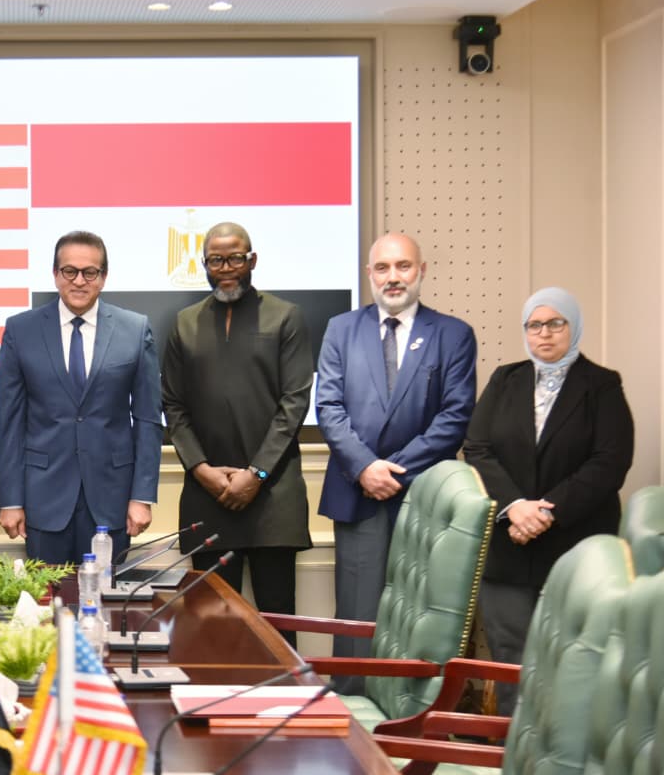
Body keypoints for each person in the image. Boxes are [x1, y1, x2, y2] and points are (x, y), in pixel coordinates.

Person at [316, 232, 476, 685]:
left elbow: (455, 416)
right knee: (356, 618)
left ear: (421, 271)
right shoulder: (341, 329)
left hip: (423, 496)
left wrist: (395, 471)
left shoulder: (453, 335)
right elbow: (328, 408)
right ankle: (351, 708)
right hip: (357, 493)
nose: (393, 277)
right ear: (369, 274)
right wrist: (366, 467)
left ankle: (410, 711)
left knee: (419, 618)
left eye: (403, 266)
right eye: (383, 268)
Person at [464, 287, 632, 716]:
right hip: (508, 546)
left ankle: (566, 754)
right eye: (534, 325)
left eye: (556, 323)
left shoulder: (602, 385)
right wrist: (515, 507)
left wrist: (544, 512)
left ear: (573, 327)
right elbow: (477, 447)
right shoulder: (505, 379)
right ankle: (513, 750)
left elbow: (610, 462)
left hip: (575, 548)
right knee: (512, 663)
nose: (544, 333)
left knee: (572, 663)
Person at [161, 223, 313, 641]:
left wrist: (256, 474)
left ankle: (281, 691)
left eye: (235, 258)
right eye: (216, 260)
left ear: (252, 260)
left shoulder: (286, 317)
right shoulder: (184, 324)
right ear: (204, 264)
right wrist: (201, 470)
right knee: (211, 633)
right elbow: (173, 405)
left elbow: (294, 404)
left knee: (276, 632)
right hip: (206, 496)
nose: (226, 268)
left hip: (273, 499)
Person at [0, 230, 163, 564]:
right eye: (70, 271)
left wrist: (142, 496)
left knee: (106, 596)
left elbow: (147, 419)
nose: (79, 281)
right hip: (43, 499)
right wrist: (10, 499)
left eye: (90, 272)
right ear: (55, 274)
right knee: (46, 596)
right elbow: (9, 422)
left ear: (104, 277)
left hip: (112, 500)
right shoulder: (20, 330)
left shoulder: (134, 329)